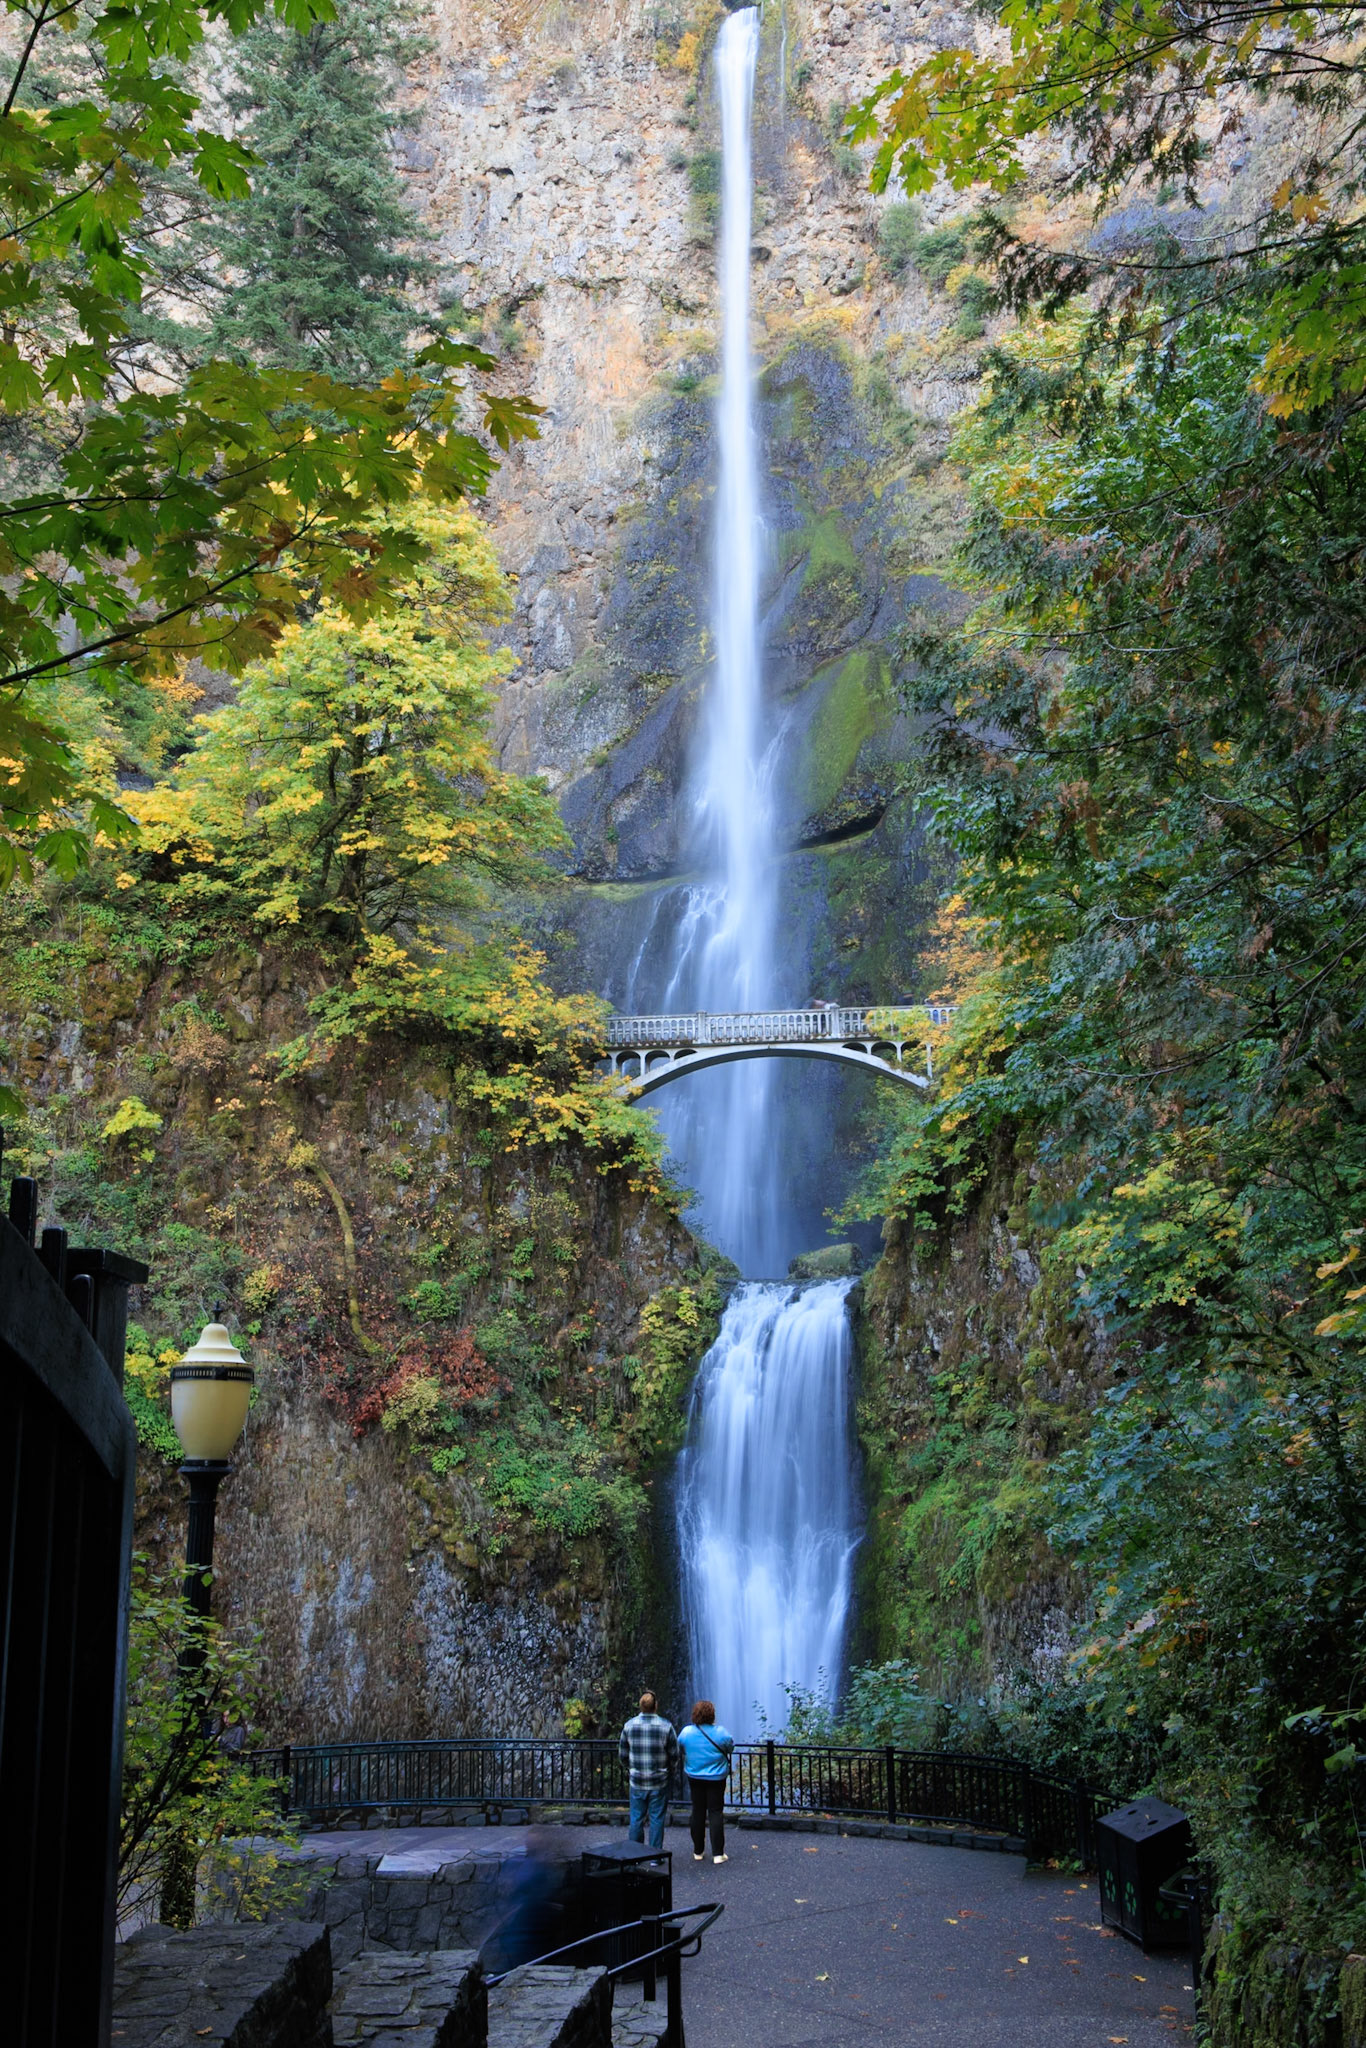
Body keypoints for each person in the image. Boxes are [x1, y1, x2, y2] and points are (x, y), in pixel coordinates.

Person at [619, 1690, 678, 1849]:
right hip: (658, 1780)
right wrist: (669, 1770)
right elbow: (674, 1754)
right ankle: (654, 1856)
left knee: (636, 1818)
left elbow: (623, 1755)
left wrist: (631, 1769)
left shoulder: (629, 1726)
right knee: (657, 1819)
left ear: (640, 1706)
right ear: (656, 1706)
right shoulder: (666, 1727)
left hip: (637, 1780)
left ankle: (634, 1854)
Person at [677, 1698, 734, 1864]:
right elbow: (730, 1747)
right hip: (716, 1778)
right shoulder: (721, 1732)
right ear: (712, 1715)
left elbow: (680, 1747)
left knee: (698, 1812)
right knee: (715, 1812)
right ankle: (718, 1854)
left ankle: (698, 1851)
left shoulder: (687, 1732)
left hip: (694, 1777)